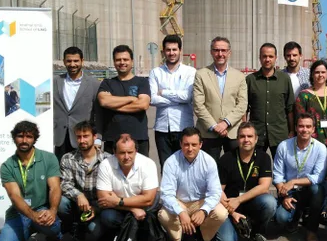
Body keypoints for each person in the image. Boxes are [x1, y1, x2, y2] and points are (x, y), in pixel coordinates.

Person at [0, 121, 64, 241]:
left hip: (42, 210)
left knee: (52, 222)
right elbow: (15, 196)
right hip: (18, 214)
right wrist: (32, 216)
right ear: (14, 138)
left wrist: (53, 210)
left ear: (34, 138)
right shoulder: (7, 166)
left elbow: (55, 188)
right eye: (20, 136)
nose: (24, 140)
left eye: (29, 137)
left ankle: (54, 238)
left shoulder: (48, 158)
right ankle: (22, 235)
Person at [158, 128, 229, 241]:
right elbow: (166, 194)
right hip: (180, 201)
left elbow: (215, 192)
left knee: (221, 213)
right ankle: (178, 239)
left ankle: (203, 236)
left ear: (200, 144)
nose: (190, 148)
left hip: (200, 202)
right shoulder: (171, 162)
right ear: (180, 144)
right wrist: (181, 212)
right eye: (186, 144)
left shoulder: (209, 162)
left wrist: (203, 211)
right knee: (163, 215)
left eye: (194, 144)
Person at [214, 122, 276, 241]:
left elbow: (264, 186)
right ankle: (237, 227)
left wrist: (239, 200)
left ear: (256, 139)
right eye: (242, 136)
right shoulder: (226, 159)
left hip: (250, 201)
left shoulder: (264, 157)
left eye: (249, 136)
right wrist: (231, 211)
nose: (246, 140)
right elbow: (218, 191)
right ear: (237, 139)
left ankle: (256, 232)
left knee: (270, 202)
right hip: (229, 205)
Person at [272, 112, 327, 241]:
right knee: (281, 218)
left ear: (314, 129)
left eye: (308, 126)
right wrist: (284, 194)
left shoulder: (320, 148)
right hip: (289, 192)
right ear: (296, 128)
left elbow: (318, 177)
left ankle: (311, 230)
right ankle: (296, 215)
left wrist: (293, 182)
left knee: (318, 188)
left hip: (309, 189)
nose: (305, 130)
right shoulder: (284, 146)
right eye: (301, 126)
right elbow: (278, 175)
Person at [96, 134, 160, 241]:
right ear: (114, 152)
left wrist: (118, 201)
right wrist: (132, 208)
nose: (126, 157)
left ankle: (132, 235)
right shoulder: (105, 165)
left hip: (141, 207)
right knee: (107, 217)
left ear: (136, 151)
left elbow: (148, 199)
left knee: (156, 199)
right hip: (121, 209)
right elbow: (104, 199)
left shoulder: (148, 164)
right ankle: (128, 235)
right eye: (122, 153)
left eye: (130, 152)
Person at [193, 37, 248, 161]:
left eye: (223, 50)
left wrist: (226, 123)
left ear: (229, 52)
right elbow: (198, 105)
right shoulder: (201, 74)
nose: (220, 54)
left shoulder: (239, 76)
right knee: (209, 171)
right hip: (209, 133)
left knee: (234, 170)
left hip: (233, 132)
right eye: (216, 50)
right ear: (211, 52)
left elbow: (242, 104)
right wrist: (214, 126)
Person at [58, 121, 110, 241]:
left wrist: (96, 208)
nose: (82, 140)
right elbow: (64, 183)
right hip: (77, 202)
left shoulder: (107, 160)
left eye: (86, 136)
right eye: (79, 137)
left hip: (99, 204)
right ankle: (73, 228)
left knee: (97, 232)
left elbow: (113, 190)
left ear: (94, 137)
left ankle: (91, 227)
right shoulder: (68, 158)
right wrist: (79, 195)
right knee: (61, 203)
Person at [149, 34, 196, 169]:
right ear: (163, 51)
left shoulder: (190, 72)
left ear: (180, 51)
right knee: (166, 167)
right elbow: (152, 98)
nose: (171, 53)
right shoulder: (155, 72)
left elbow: (187, 97)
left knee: (186, 166)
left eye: (174, 49)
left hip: (184, 126)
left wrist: (164, 92)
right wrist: (177, 99)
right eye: (168, 50)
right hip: (162, 128)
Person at [97, 45, 151, 156]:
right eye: (118, 60)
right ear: (114, 62)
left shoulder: (142, 82)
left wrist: (113, 104)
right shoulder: (107, 83)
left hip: (138, 138)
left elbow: (143, 104)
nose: (122, 62)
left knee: (139, 172)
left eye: (125, 59)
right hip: (112, 139)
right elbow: (104, 101)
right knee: (111, 172)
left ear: (132, 61)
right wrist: (131, 99)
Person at [245, 43, 294, 157]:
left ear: (276, 58)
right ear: (260, 58)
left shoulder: (284, 79)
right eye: (264, 56)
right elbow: (245, 108)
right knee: (255, 168)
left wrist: (291, 131)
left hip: (279, 134)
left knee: (281, 169)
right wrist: (245, 130)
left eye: (271, 56)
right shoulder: (250, 80)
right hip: (256, 133)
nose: (267, 59)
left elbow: (290, 107)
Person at [53, 46, 102, 159]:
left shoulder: (94, 84)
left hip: (84, 138)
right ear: (64, 62)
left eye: (76, 61)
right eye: (69, 61)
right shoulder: (55, 82)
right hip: (60, 138)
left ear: (82, 61)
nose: (72, 64)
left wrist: (98, 138)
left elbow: (99, 114)